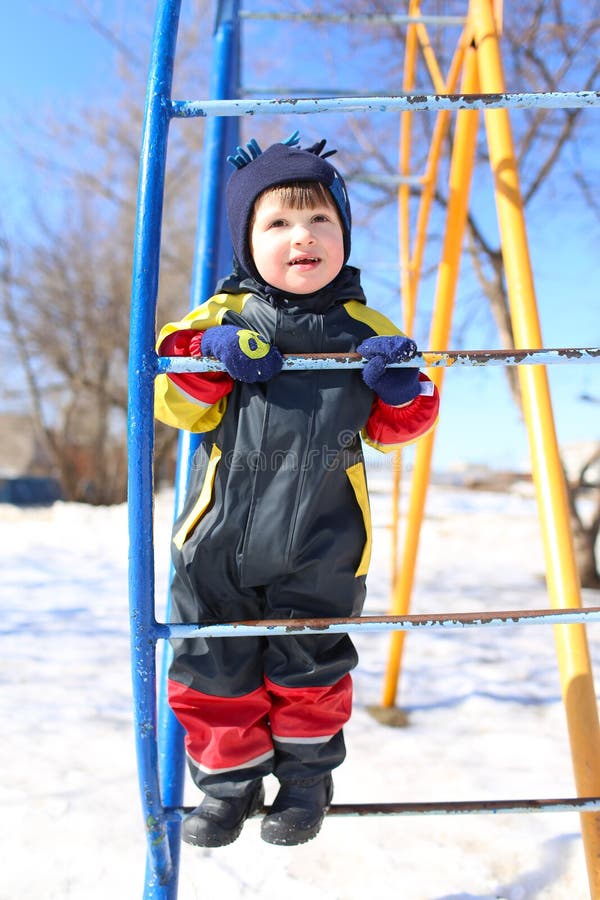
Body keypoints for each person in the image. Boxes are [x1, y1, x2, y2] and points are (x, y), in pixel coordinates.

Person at [154, 132, 439, 848]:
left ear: (343, 236)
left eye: (321, 221)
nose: (301, 237)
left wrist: (399, 386)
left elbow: (398, 429)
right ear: (247, 244)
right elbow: (175, 401)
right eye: (276, 222)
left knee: (310, 673)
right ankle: (228, 788)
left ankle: (307, 783)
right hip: (218, 540)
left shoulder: (367, 330)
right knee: (210, 669)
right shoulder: (218, 322)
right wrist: (210, 358)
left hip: (324, 539)